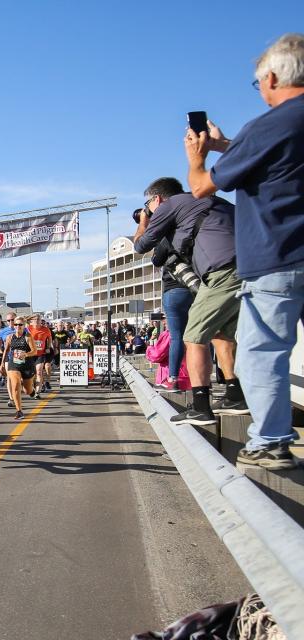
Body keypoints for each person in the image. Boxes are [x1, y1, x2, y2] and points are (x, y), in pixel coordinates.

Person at [184, 33, 304, 468]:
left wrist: (198, 155)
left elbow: (201, 187)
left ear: (271, 77)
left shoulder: (270, 124)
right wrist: (225, 145)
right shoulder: (279, 131)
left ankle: (271, 440)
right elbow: (279, 158)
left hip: (278, 256)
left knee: (261, 352)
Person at [133, 177, 247, 426]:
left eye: (148, 204)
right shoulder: (213, 201)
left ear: (157, 199)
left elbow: (141, 245)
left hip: (222, 271)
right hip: (250, 268)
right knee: (220, 333)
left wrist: (144, 221)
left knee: (193, 337)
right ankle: (235, 395)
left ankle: (201, 407)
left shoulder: (169, 205)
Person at [150, 234, 194, 392]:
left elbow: (156, 260)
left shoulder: (170, 236)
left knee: (176, 337)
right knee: (197, 338)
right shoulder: (196, 233)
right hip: (194, 287)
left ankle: (173, 378)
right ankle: (200, 382)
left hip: (174, 288)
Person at [2, 319, 38, 420]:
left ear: (24, 326)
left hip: (27, 364)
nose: (18, 326)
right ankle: (19, 411)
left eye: (20, 324)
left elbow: (34, 351)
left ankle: (32, 391)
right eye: (16, 324)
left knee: (27, 390)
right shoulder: (10, 337)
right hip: (13, 364)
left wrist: (25, 354)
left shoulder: (28, 336)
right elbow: (6, 350)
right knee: (15, 385)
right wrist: (1, 364)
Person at [28, 315, 53, 395]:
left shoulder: (46, 329)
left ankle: (37, 393)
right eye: (35, 319)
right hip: (30, 354)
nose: (37, 321)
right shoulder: (28, 328)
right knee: (32, 373)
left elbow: (50, 338)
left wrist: (48, 347)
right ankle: (37, 385)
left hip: (40, 354)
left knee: (39, 371)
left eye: (39, 319)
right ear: (32, 321)